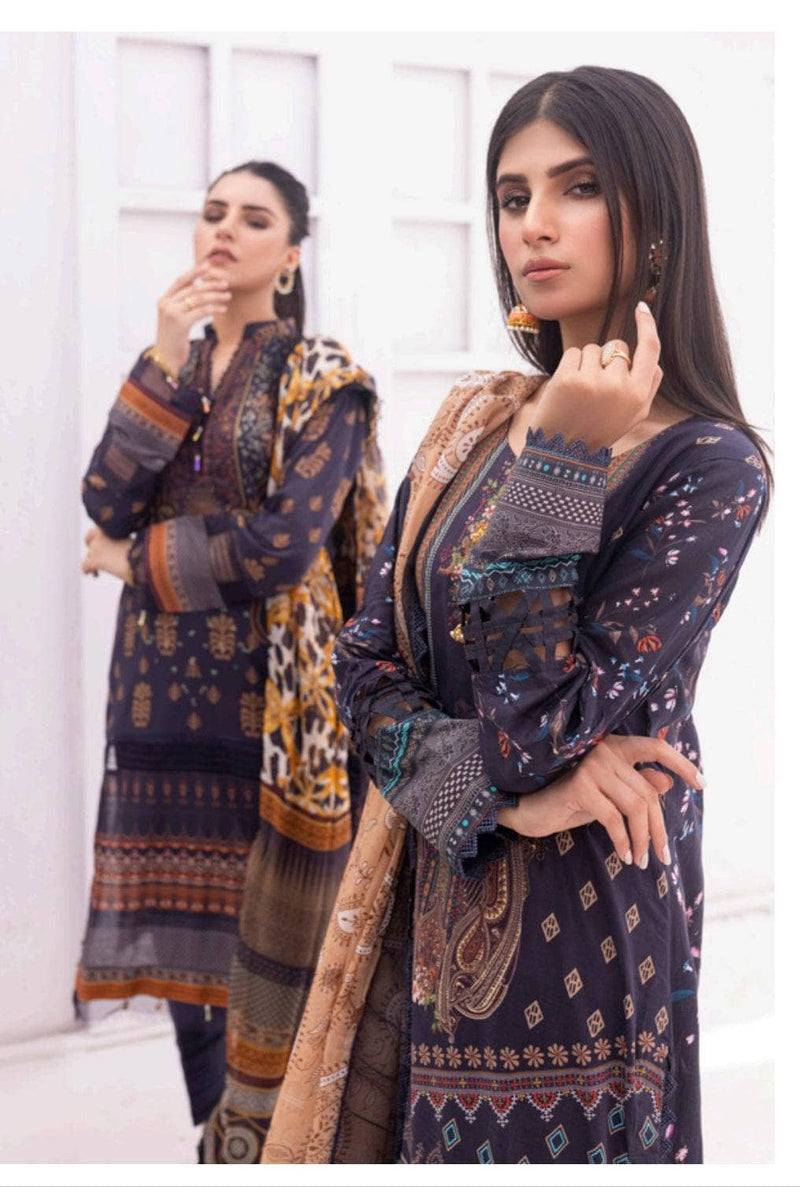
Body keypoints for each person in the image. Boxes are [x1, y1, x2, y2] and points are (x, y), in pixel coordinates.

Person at [260, 67, 770, 1166]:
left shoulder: (708, 465)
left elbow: (533, 723)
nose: (532, 223)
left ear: (655, 215)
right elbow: (361, 668)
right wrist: (504, 804)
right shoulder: (477, 419)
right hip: (441, 899)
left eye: (576, 187)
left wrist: (564, 459)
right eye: (510, 195)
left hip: (590, 932)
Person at [76, 160, 386, 1159]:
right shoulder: (169, 368)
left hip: (275, 707)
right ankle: (220, 1148)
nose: (225, 229)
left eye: (254, 219)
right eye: (213, 212)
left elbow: (284, 547)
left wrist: (132, 560)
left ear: (290, 256)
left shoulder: (321, 376)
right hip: (160, 698)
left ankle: (271, 1147)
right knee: (186, 945)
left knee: (271, 951)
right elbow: (104, 496)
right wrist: (165, 354)